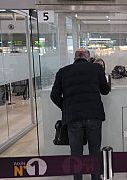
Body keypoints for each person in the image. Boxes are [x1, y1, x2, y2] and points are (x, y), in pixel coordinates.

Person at [50, 48, 110, 180]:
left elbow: (54, 95)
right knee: (94, 151)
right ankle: (95, 178)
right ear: (88, 57)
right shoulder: (96, 68)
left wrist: (66, 108)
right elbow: (105, 91)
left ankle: (78, 179)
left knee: (76, 153)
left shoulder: (63, 71)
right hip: (94, 115)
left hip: (73, 117)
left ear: (75, 58)